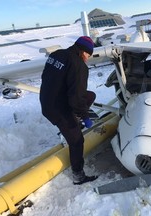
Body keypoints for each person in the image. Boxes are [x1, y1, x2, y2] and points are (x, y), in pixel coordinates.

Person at [39, 36, 98, 185]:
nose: (88, 59)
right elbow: (77, 97)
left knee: (90, 95)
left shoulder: (57, 54)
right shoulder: (79, 66)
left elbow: (45, 76)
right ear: (84, 52)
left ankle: (73, 120)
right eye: (88, 55)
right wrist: (85, 117)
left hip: (46, 100)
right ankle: (78, 175)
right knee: (77, 141)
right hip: (57, 109)